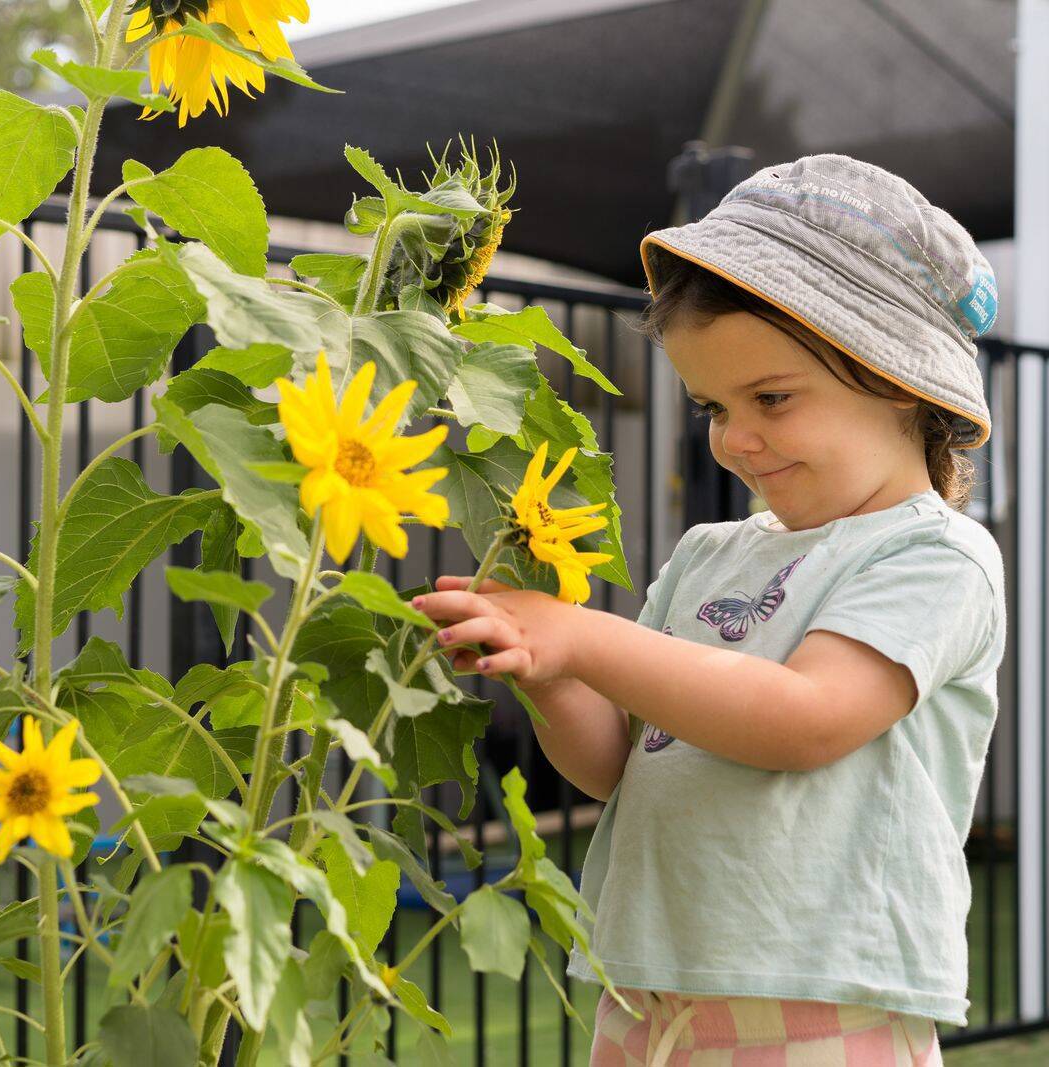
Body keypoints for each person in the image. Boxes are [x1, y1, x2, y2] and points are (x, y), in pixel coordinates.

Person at [412, 154, 1006, 1065]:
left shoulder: (931, 554)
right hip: (650, 989)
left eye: (770, 397)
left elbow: (804, 720)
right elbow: (619, 764)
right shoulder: (710, 555)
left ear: (896, 380)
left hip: (821, 997)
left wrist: (582, 632)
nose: (734, 437)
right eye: (712, 406)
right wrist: (550, 667)